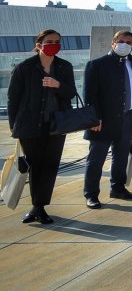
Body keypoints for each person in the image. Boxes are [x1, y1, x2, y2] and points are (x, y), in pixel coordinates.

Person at [7, 29, 76, 224]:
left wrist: (57, 85)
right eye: (49, 41)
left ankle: (39, 206)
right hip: (29, 126)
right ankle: (37, 206)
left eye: (57, 41)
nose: (53, 44)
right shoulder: (25, 68)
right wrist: (15, 127)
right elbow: (13, 99)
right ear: (39, 44)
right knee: (35, 166)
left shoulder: (64, 67)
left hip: (56, 125)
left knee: (50, 166)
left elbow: (71, 93)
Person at [83, 30, 132, 208]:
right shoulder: (97, 65)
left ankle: (118, 187)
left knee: (121, 156)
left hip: (128, 118)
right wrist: (94, 119)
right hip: (103, 121)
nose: (125, 44)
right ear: (113, 42)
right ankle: (91, 194)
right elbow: (90, 95)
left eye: (129, 42)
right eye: (121, 41)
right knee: (96, 159)